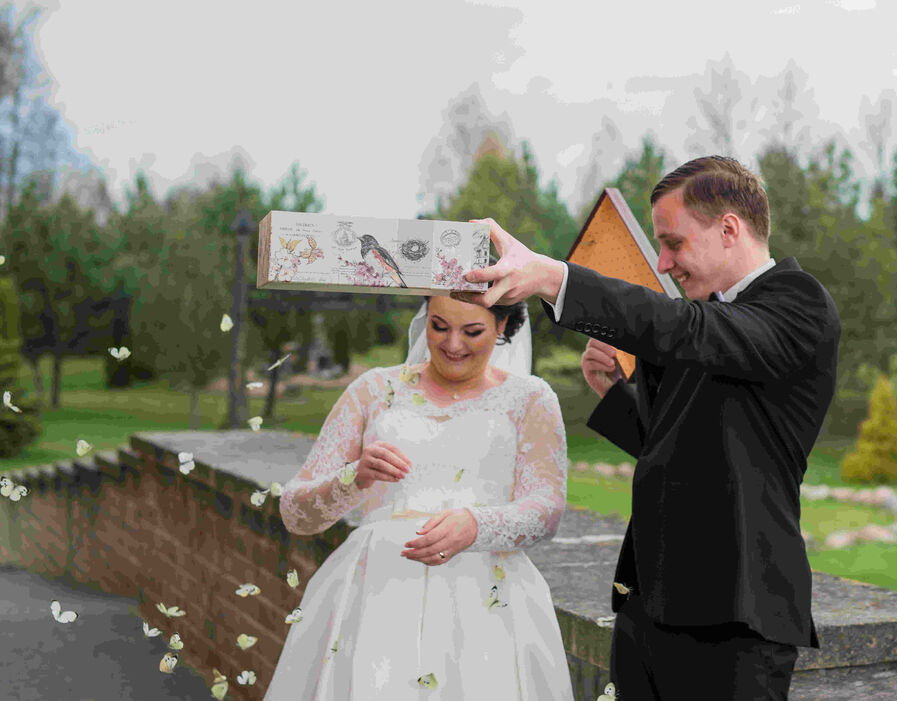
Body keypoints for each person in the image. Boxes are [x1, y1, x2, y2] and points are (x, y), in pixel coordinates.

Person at [451, 156, 840, 700]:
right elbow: (670, 448)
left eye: (674, 243)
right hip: (646, 606)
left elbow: (682, 327)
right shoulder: (702, 321)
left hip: (736, 618)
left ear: (729, 229)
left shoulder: (797, 303)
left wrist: (551, 277)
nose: (663, 262)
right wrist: (615, 393)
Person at [266, 286, 574, 700]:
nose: (452, 344)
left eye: (472, 331)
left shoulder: (531, 398)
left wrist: (477, 526)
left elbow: (547, 508)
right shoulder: (372, 390)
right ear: (424, 317)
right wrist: (352, 477)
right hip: (376, 598)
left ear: (502, 325)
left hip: (488, 606)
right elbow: (294, 513)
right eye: (439, 326)